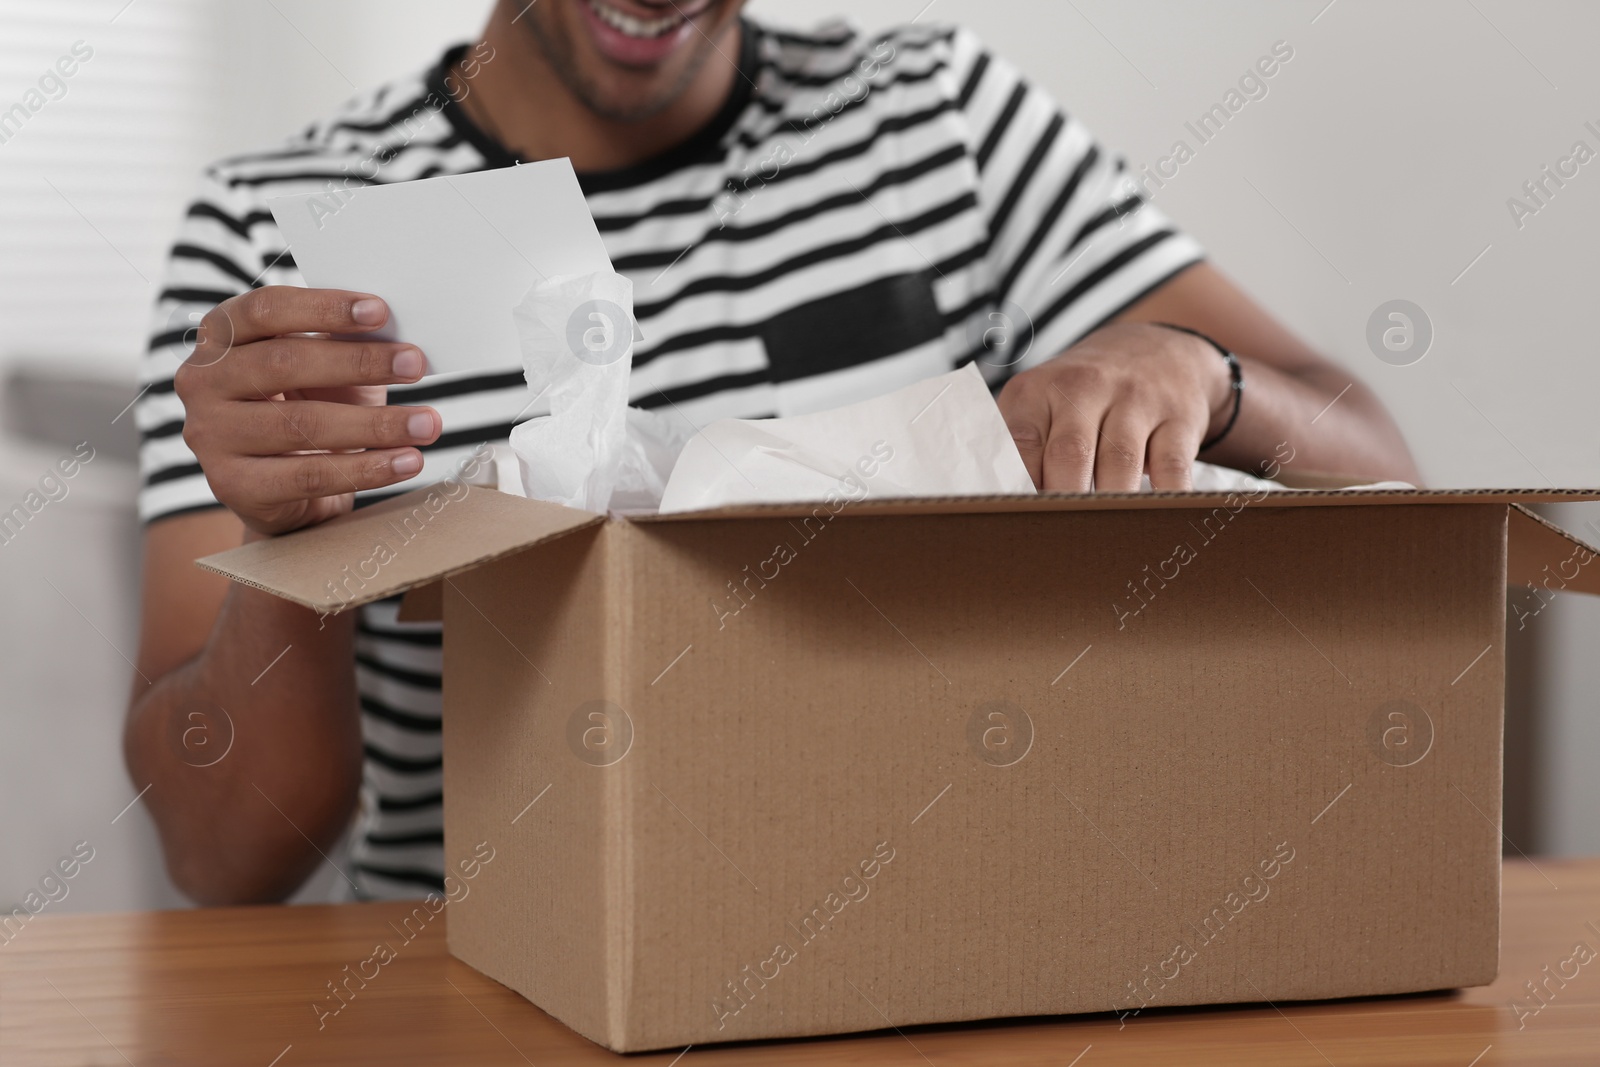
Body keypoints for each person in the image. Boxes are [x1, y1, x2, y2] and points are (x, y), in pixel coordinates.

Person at [126, 0, 1419, 905]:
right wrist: (287, 540)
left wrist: (1203, 368)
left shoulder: (936, 117)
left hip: (937, 932)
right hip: (485, 966)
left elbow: (1382, 475)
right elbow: (224, 858)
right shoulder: (283, 232)